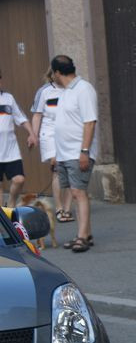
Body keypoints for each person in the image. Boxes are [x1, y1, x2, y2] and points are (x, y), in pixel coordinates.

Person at [51, 55, 98, 253]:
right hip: (65, 153)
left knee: (79, 192)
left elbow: (90, 122)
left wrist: (84, 151)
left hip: (78, 151)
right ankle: (84, 233)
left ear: (57, 73)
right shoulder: (65, 92)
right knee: (76, 192)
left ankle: (82, 238)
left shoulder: (83, 89)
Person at [31, 67, 73, 222]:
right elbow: (37, 115)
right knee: (57, 169)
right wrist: (34, 135)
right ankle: (59, 209)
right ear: (53, 73)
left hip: (69, 134)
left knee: (70, 170)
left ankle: (68, 210)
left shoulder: (73, 90)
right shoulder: (44, 91)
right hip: (49, 134)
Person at [0, 69, 36, 207]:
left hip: (10, 150)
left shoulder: (8, 98)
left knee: (19, 179)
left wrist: (32, 134)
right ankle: (4, 222)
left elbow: (21, 118)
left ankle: (11, 202)